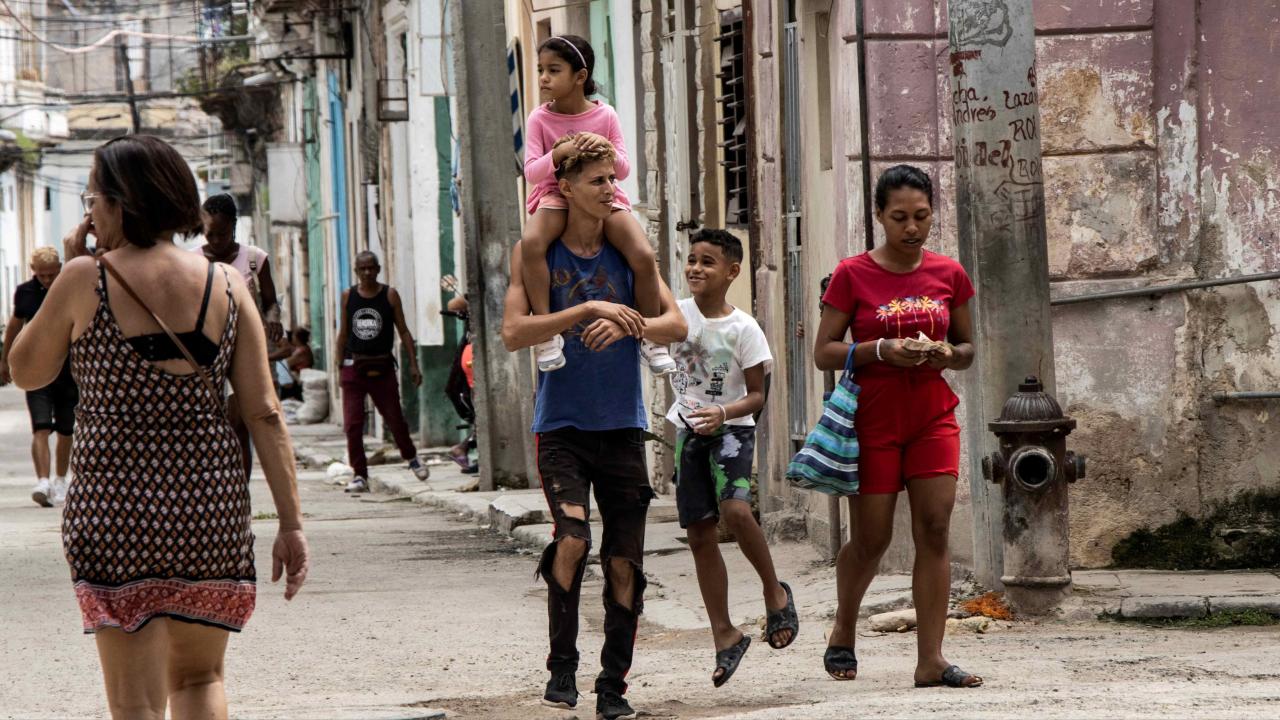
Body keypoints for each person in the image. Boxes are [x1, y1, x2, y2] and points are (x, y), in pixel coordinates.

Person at [8, 134, 309, 719]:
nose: (89, 211)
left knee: (136, 703)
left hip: (114, 511)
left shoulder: (84, 278)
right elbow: (265, 412)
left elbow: (26, 369)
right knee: (199, 680)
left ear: (121, 203)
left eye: (94, 197)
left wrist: (74, 266)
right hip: (207, 506)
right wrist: (291, 524)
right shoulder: (227, 285)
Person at [501, 139, 687, 719]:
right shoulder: (539, 256)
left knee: (624, 560)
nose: (611, 190)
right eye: (598, 182)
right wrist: (586, 310)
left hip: (622, 426)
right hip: (561, 426)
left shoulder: (626, 257)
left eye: (612, 179)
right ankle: (563, 666)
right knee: (574, 538)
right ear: (565, 188)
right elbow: (513, 332)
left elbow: (676, 323)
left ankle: (613, 685)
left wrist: (631, 327)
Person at [813, 165, 981, 688]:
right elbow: (823, 352)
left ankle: (930, 659)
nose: (912, 228)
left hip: (932, 416)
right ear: (880, 217)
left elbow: (969, 348)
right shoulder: (852, 273)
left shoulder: (950, 273)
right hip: (873, 423)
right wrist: (881, 349)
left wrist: (947, 355)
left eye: (922, 216)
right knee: (872, 538)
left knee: (934, 528)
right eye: (900, 217)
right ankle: (844, 625)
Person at [665, 229, 797, 687]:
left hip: (733, 431)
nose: (696, 268)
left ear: (732, 272)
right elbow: (647, 337)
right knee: (699, 533)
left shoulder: (744, 328)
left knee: (736, 510)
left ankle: (774, 592)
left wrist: (722, 411)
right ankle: (725, 634)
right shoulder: (674, 316)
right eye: (691, 260)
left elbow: (758, 395)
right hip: (688, 433)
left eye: (707, 262)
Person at [522, 34, 675, 376]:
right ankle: (547, 335)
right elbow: (532, 171)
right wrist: (557, 155)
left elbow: (622, 169)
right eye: (541, 70)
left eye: (553, 70)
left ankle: (652, 340)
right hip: (555, 194)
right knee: (532, 243)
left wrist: (603, 142)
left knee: (644, 255)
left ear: (580, 76)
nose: (544, 78)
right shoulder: (539, 119)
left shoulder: (605, 115)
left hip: (605, 197)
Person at [196, 193, 284, 479]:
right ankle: (216, 489)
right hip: (207, 353)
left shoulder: (255, 260)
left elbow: (271, 302)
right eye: (210, 234)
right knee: (209, 428)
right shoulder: (193, 261)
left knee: (239, 424)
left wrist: (273, 320)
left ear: (233, 226)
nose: (216, 241)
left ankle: (241, 500)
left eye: (222, 234)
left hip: (244, 351)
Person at [335, 251, 431, 493]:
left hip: (383, 367)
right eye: (362, 269)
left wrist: (414, 364)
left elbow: (404, 331)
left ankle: (411, 457)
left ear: (378, 269)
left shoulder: (389, 295)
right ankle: (360, 475)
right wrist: (339, 367)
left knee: (395, 419)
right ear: (356, 271)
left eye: (371, 268)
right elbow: (343, 333)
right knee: (353, 425)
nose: (367, 273)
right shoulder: (348, 296)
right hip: (354, 368)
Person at [0, 247, 78, 507]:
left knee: (66, 428)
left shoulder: (68, 289)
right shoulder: (25, 292)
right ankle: (43, 481)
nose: (47, 280)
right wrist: (5, 360)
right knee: (41, 426)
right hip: (37, 368)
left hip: (68, 370)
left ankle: (60, 478)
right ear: (34, 272)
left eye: (51, 274)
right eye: (42, 275)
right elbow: (14, 325)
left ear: (59, 269)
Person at [271, 327, 314, 400]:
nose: (292, 338)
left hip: (298, 381)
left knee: (280, 367)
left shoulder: (301, 351)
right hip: (297, 379)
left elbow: (285, 364)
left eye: (294, 336)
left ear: (298, 338)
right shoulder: (302, 348)